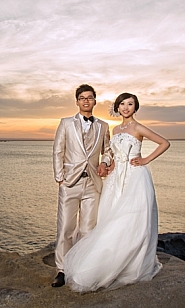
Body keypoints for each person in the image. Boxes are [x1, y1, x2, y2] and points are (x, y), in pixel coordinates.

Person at [63, 92, 170, 292]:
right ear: (117, 107)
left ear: (135, 107)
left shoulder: (138, 127)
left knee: (131, 219)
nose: (126, 108)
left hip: (134, 177)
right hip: (116, 178)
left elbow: (164, 143)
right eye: (122, 104)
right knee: (110, 218)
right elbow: (114, 153)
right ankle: (109, 260)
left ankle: (131, 264)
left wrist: (145, 159)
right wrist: (109, 165)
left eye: (130, 104)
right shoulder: (115, 129)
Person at [51, 84, 113, 287]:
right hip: (70, 182)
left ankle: (81, 268)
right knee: (65, 229)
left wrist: (104, 163)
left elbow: (108, 150)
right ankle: (62, 270)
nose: (86, 101)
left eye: (90, 97)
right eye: (82, 98)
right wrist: (60, 178)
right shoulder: (66, 123)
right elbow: (58, 150)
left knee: (88, 229)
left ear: (95, 101)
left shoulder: (103, 126)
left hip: (92, 183)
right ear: (77, 101)